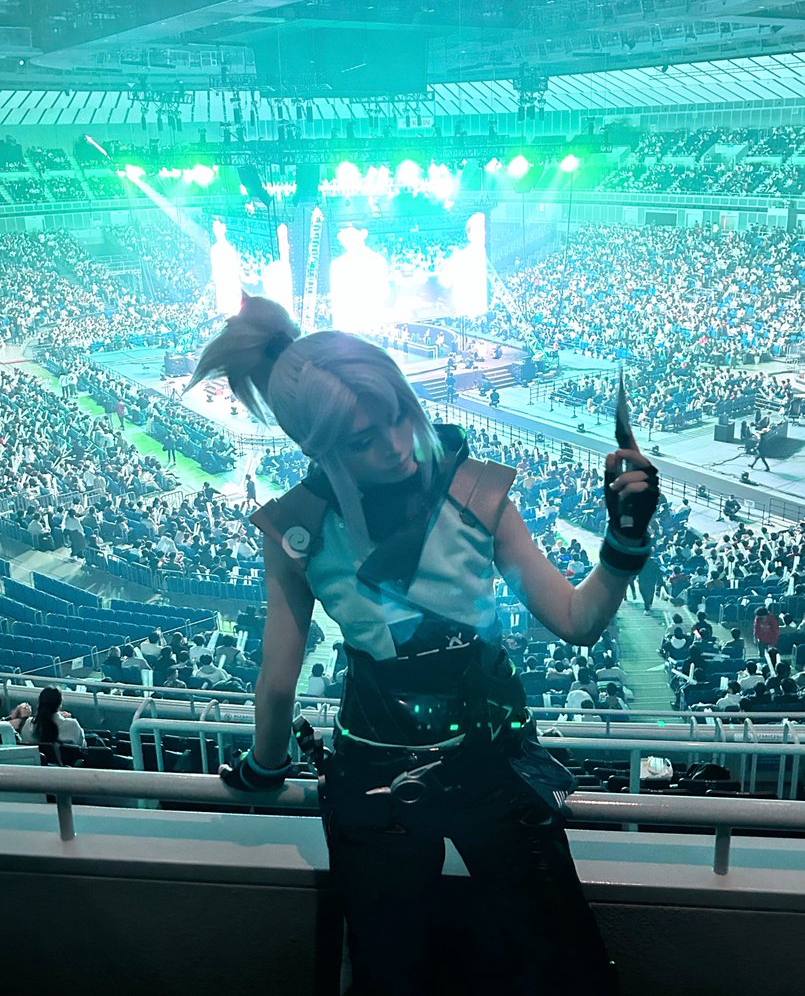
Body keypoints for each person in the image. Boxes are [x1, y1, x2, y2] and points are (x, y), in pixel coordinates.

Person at [188, 295, 661, 996]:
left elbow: (278, 684)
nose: (395, 445)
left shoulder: (294, 528)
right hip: (491, 760)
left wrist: (264, 768)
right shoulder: (478, 490)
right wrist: (623, 539)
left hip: (374, 775)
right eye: (361, 439)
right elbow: (577, 619)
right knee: (562, 965)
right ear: (317, 446)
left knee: (389, 973)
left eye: (397, 415)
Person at [20, 686, 86, 748]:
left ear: (40, 703)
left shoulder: (28, 725)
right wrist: (67, 720)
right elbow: (83, 746)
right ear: (60, 704)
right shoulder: (72, 726)